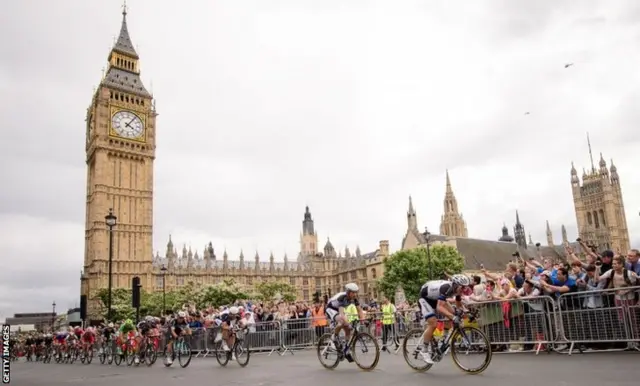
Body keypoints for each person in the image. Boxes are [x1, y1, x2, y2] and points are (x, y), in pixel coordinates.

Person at [417, 274, 471, 364]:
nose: (464, 290)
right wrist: (453, 317)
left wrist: (467, 313)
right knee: (433, 323)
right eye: (462, 287)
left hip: (435, 298)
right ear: (456, 285)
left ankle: (444, 338)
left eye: (465, 288)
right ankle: (424, 350)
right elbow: (439, 308)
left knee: (454, 312)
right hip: (425, 299)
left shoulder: (457, 290)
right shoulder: (445, 288)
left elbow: (458, 305)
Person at [325, 283, 363, 358]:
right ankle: (334, 336)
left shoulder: (354, 298)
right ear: (348, 292)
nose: (355, 294)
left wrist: (363, 321)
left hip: (338, 310)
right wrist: (348, 324)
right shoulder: (342, 297)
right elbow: (342, 314)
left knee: (347, 329)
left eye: (356, 292)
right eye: (353, 292)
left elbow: (360, 311)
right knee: (342, 322)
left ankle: (346, 349)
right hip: (331, 309)